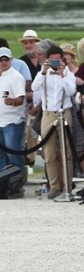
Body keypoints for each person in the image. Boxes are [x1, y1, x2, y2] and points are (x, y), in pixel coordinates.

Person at [31, 45, 77, 198]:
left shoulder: (68, 74)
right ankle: (54, 186)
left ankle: (67, 186)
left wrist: (62, 75)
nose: (56, 63)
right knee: (49, 153)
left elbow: (71, 91)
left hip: (64, 112)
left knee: (67, 152)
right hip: (48, 113)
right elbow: (34, 87)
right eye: (53, 60)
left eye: (58, 60)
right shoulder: (43, 73)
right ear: (47, 60)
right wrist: (43, 71)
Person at [0, 47, 27, 197]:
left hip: (12, 121)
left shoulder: (16, 77)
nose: (3, 62)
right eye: (1, 59)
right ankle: (4, 186)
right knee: (0, 156)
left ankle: (17, 186)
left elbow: (21, 99)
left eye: (6, 59)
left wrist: (12, 102)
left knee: (14, 155)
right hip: (0, 121)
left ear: (10, 60)